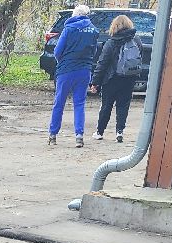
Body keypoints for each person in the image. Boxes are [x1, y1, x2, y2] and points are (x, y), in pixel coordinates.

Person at [47, 4, 100, 148]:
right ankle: (79, 136)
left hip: (66, 70)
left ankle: (53, 134)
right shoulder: (94, 31)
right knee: (79, 104)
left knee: (59, 103)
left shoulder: (68, 29)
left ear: (74, 15)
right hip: (84, 70)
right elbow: (94, 51)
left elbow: (58, 51)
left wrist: (62, 61)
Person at [93, 13, 140, 143]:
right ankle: (119, 132)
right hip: (129, 78)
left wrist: (95, 82)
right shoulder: (136, 40)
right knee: (123, 106)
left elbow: (102, 63)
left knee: (106, 105)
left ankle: (99, 132)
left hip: (111, 79)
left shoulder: (111, 42)